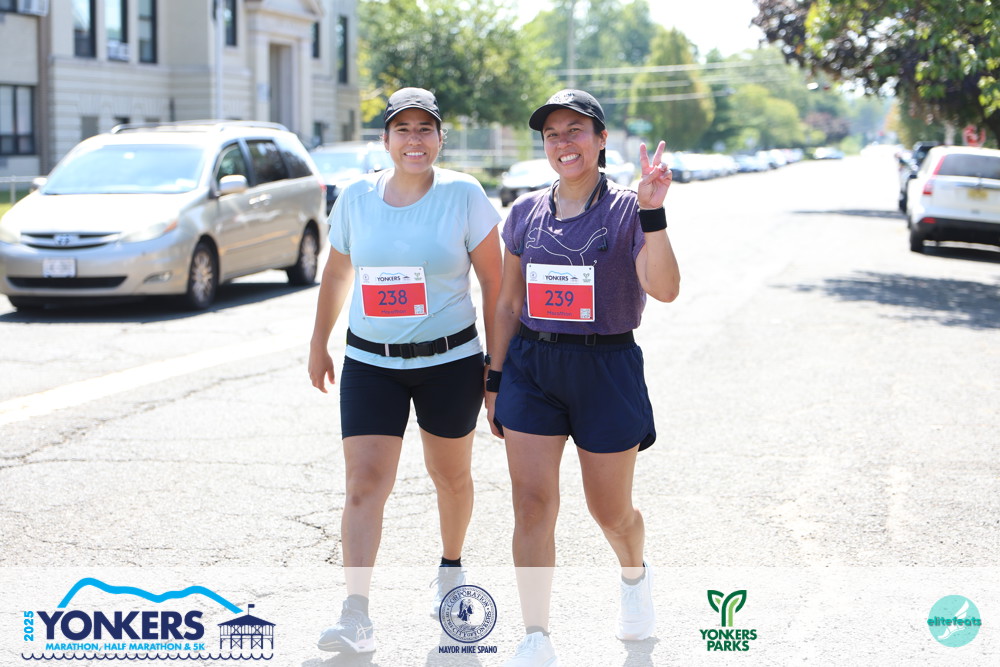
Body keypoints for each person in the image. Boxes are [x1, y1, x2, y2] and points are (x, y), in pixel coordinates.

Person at [485, 89, 679, 665]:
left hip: (606, 368)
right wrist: (494, 378)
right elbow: (507, 304)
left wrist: (654, 213)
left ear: (600, 139)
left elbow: (665, 289)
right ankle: (535, 636)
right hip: (533, 366)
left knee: (610, 511)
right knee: (531, 505)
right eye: (552, 134)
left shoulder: (627, 209)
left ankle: (634, 575)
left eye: (575, 131)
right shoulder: (524, 213)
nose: (563, 143)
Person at [308, 87, 502, 655]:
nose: (414, 140)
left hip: (451, 363)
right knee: (364, 484)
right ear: (386, 139)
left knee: (450, 476)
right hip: (372, 363)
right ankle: (356, 613)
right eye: (403, 129)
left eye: (425, 129)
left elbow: (495, 285)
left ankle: (450, 567)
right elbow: (336, 273)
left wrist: (496, 369)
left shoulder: (464, 195)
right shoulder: (355, 198)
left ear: (440, 137)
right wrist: (319, 342)